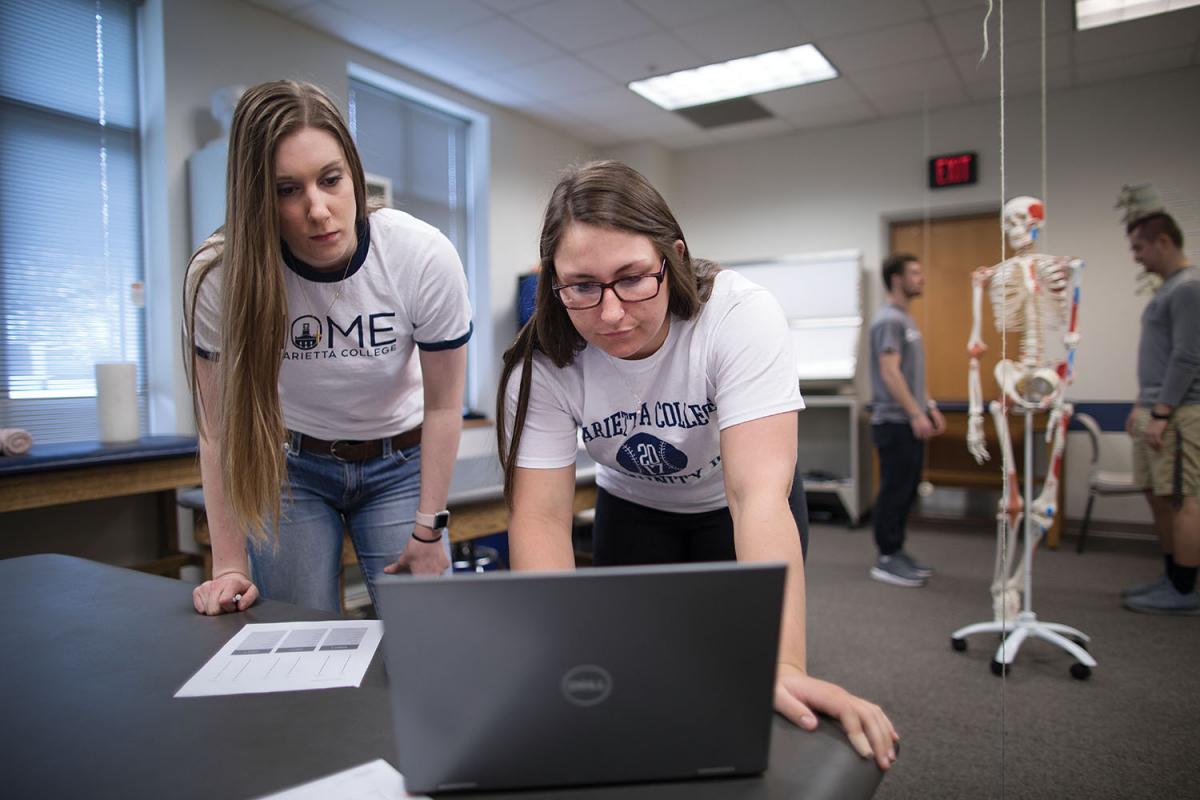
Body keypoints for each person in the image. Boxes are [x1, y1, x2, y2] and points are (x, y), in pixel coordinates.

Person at [496, 160, 898, 770]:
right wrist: (563, 657)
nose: (609, 313)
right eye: (581, 286)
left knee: (742, 679)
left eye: (632, 278)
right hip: (633, 508)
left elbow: (757, 496)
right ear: (553, 280)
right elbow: (542, 519)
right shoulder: (544, 362)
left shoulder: (737, 317)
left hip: (732, 508)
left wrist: (784, 664)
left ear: (673, 258)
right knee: (629, 676)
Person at [184, 80, 471, 616]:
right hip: (290, 469)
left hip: (400, 464)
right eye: (287, 190)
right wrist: (228, 564)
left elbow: (442, 404)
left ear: (354, 174)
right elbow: (218, 429)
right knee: (297, 642)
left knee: (426, 638)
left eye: (331, 179)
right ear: (256, 197)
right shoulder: (221, 276)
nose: (318, 209)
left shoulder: (421, 256)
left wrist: (430, 528)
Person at [1122, 211, 1200, 615]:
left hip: (1181, 411)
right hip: (1155, 407)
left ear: (1163, 241)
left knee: (1182, 500)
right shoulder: (1168, 289)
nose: (1136, 257)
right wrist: (1142, 405)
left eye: (1139, 247)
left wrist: (1164, 412)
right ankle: (1171, 576)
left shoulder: (1189, 288)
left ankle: (1186, 590)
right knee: (1157, 495)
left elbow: (1187, 356)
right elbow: (1157, 356)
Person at [868, 254, 944, 588]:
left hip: (908, 417)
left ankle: (897, 550)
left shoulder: (905, 319)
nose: (921, 278)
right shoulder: (888, 320)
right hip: (893, 420)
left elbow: (911, 373)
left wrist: (928, 406)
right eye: (914, 272)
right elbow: (889, 370)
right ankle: (886, 557)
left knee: (906, 489)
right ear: (896, 279)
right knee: (894, 490)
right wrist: (914, 413)